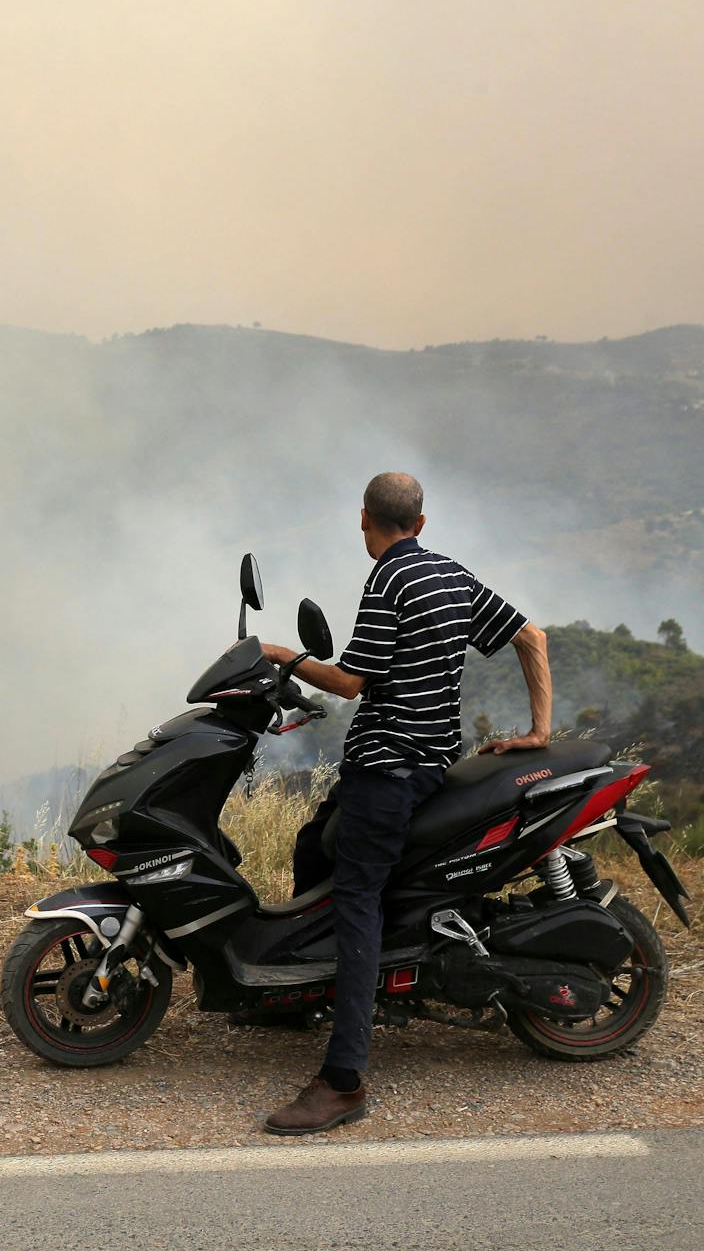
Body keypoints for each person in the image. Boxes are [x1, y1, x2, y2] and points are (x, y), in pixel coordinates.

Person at [254, 471, 552, 1135]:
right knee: (313, 844)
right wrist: (540, 731)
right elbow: (532, 637)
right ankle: (296, 994)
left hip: (389, 771)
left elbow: (349, 683)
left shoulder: (388, 579)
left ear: (365, 519)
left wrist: (279, 655)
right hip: (427, 766)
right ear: (420, 523)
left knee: (359, 903)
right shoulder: (450, 573)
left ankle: (343, 1080)